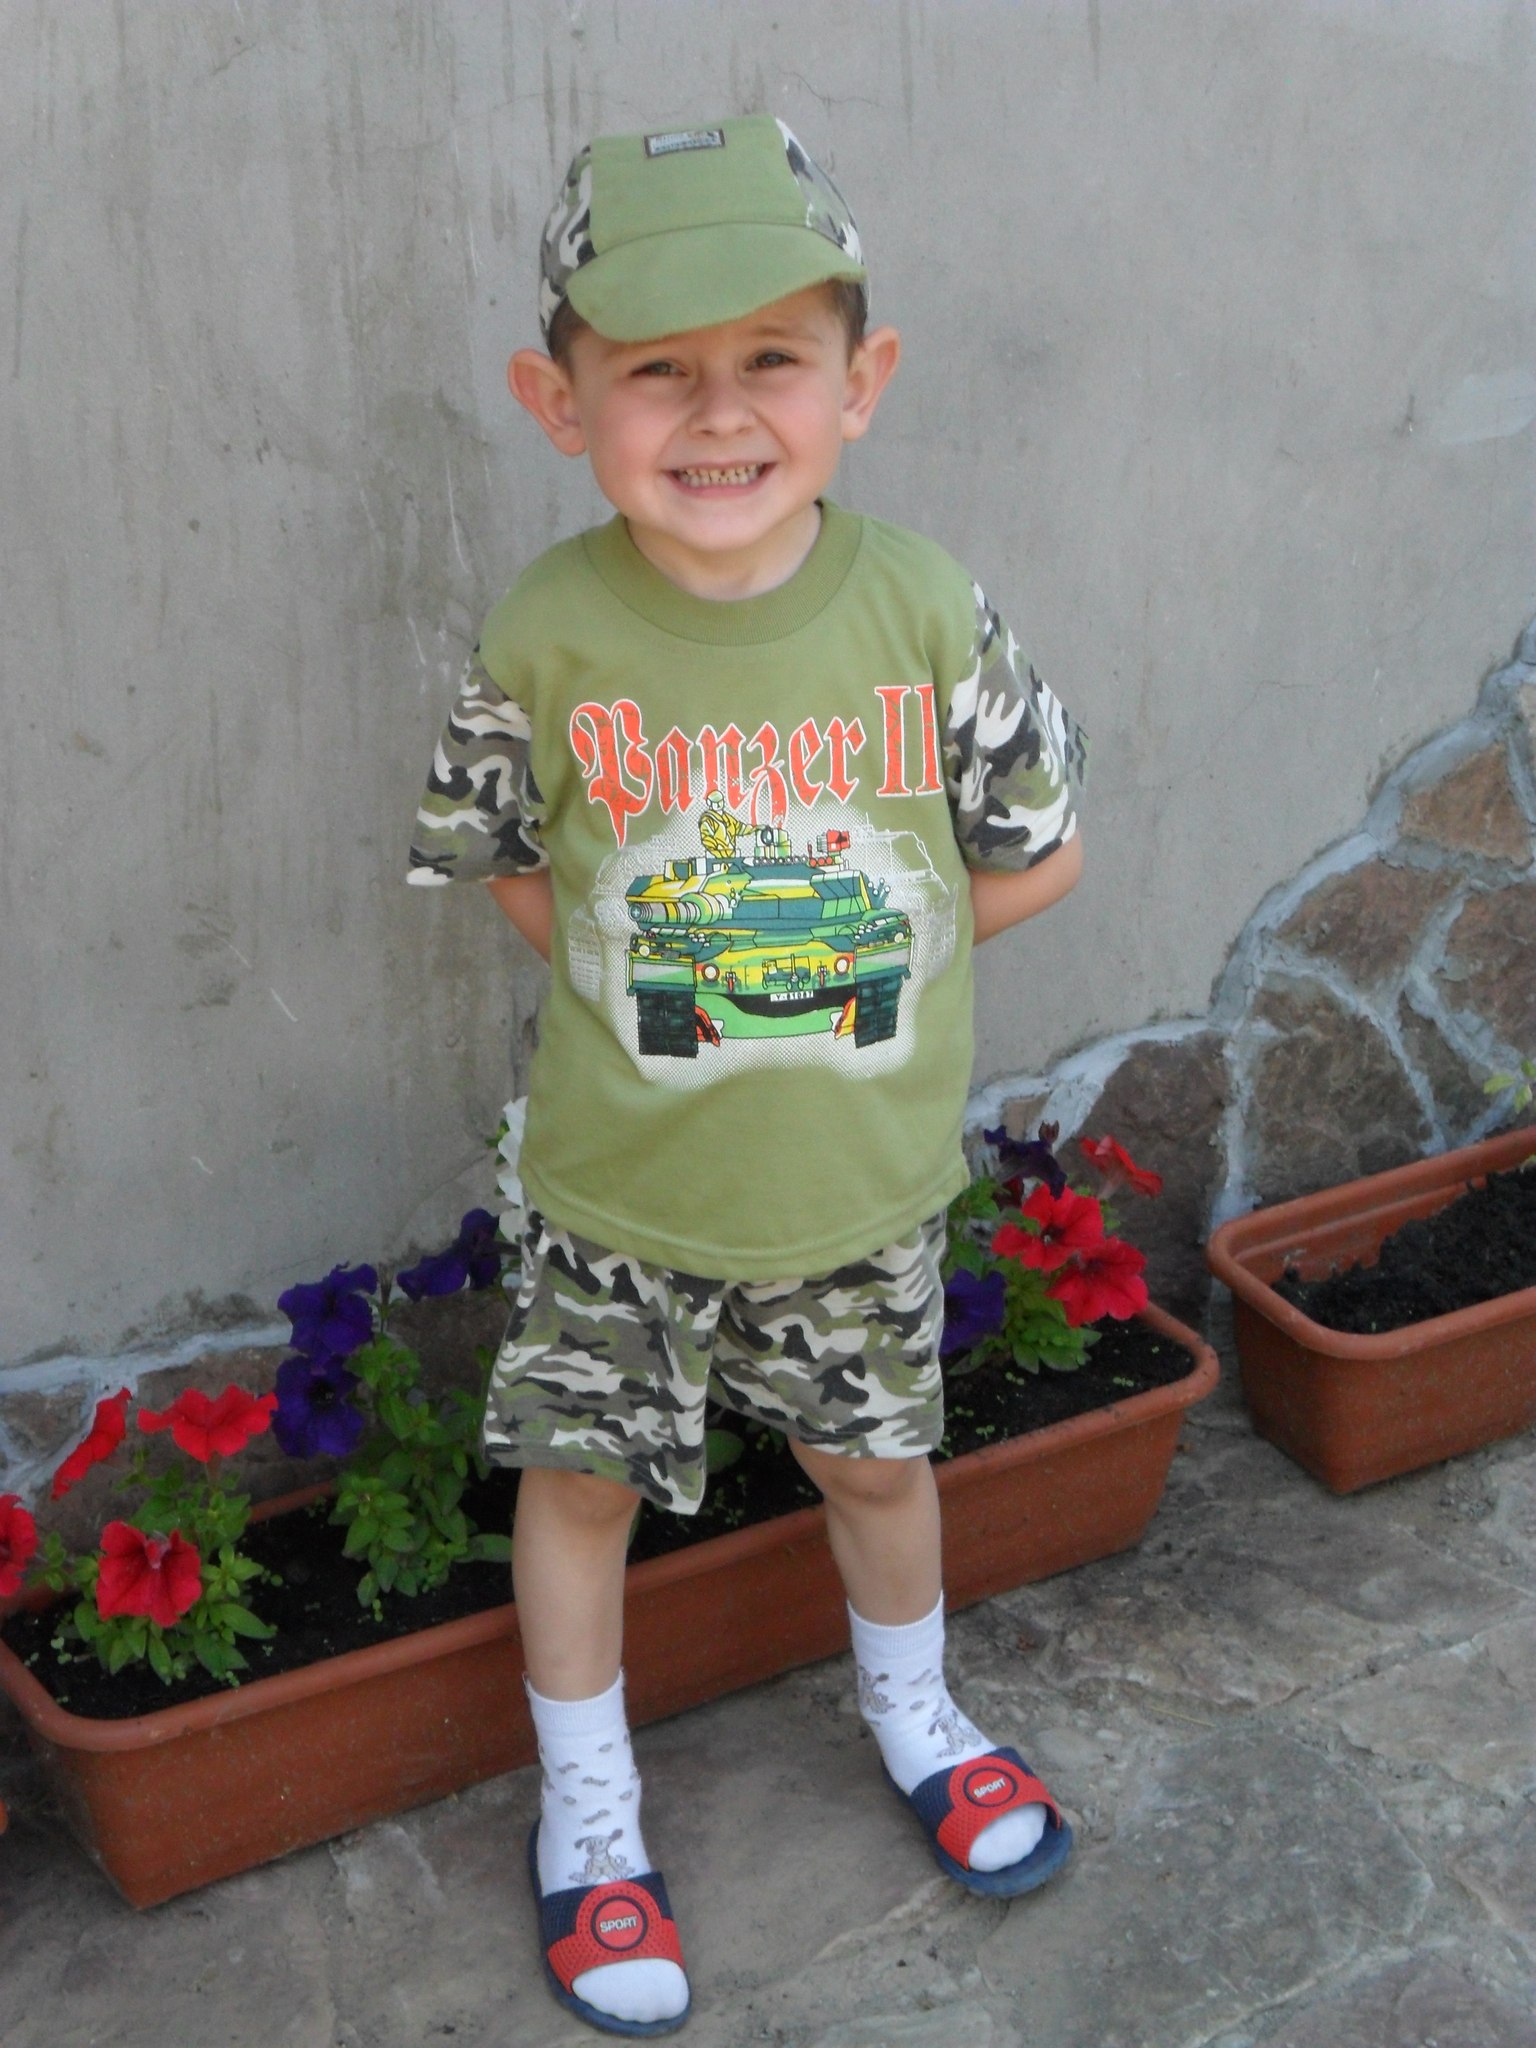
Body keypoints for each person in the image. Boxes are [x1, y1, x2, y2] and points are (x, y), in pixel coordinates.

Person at [408, 115, 1087, 2039]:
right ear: (560, 401)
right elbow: (506, 857)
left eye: (773, 356)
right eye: (656, 370)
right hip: (616, 1192)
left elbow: (1037, 850)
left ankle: (920, 1715)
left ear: (862, 382)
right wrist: (654, 980)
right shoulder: (546, 632)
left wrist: (864, 976)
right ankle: (590, 1816)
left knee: (875, 1463)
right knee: (580, 1490)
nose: (719, 414)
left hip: (853, 1185)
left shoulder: (923, 607)